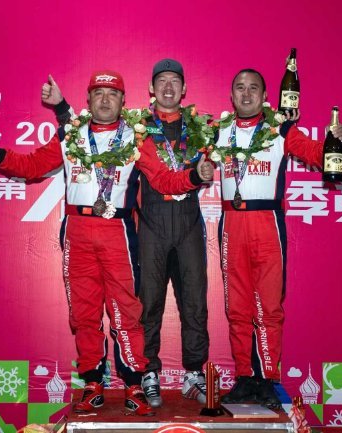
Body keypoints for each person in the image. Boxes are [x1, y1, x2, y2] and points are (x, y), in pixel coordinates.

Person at [0, 70, 213, 415]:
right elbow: (31, 166)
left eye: (112, 94)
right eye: (98, 93)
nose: (105, 100)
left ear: (123, 101)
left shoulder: (135, 137)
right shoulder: (71, 135)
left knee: (126, 311)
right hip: (77, 231)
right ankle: (92, 382)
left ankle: (134, 383)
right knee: (84, 314)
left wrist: (193, 176)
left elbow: (162, 179)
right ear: (87, 99)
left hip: (117, 231)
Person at [43, 59, 210, 408]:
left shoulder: (201, 126)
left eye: (175, 81)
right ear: (149, 89)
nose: (168, 87)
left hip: (180, 222)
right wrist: (59, 108)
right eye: (161, 81)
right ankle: (132, 376)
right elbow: (83, 131)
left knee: (189, 303)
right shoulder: (136, 127)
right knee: (134, 306)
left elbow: (166, 175)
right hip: (142, 224)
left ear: (184, 89)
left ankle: (185, 374)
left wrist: (197, 175)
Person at [214, 69, 342, 410]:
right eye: (240, 88)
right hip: (231, 223)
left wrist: (335, 140)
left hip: (267, 223)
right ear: (231, 95)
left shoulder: (281, 129)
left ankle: (268, 378)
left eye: (253, 88)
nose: (246, 94)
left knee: (269, 306)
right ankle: (245, 377)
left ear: (264, 97)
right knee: (237, 307)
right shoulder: (217, 131)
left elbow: (315, 154)